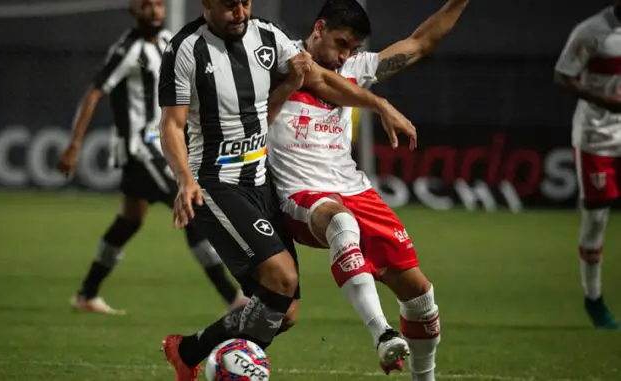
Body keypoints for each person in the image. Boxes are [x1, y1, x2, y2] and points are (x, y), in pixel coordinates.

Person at [156, 0, 418, 379]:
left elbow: (324, 80)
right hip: (214, 182)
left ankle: (189, 350)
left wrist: (379, 105)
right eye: (230, 5)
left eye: (245, 2)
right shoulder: (185, 49)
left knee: (283, 311)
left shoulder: (267, 36)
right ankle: (233, 370)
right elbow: (172, 126)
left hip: (260, 181)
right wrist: (184, 179)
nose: (241, 12)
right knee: (281, 277)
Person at [266, 0, 469, 378]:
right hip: (299, 194)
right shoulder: (284, 61)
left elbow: (421, 42)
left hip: (354, 189)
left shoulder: (357, 70)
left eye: (354, 50)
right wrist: (381, 105)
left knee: (421, 295)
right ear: (319, 28)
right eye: (341, 44)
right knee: (341, 223)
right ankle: (382, 333)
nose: (345, 56)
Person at [57, 0, 247, 315]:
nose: (155, 11)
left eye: (159, 4)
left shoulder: (166, 41)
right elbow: (94, 93)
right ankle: (233, 299)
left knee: (129, 220)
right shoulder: (127, 49)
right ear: (133, 10)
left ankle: (87, 295)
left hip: (154, 146)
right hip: (140, 148)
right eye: (147, 6)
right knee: (193, 208)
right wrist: (74, 145)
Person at [554, 1, 621, 330]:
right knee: (596, 220)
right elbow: (562, 76)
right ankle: (593, 300)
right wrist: (603, 100)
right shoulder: (591, 32)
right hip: (597, 137)